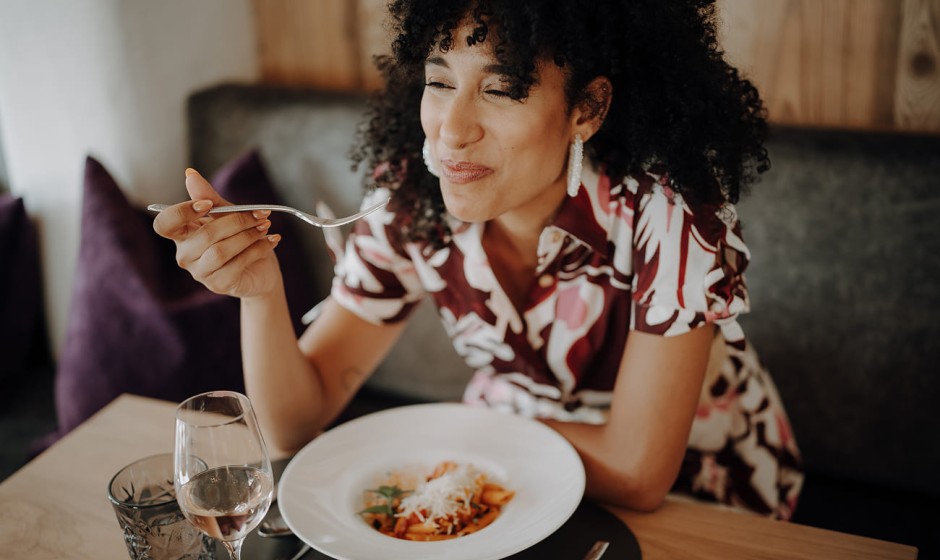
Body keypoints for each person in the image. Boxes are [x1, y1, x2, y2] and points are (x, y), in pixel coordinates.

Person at [153, 0, 803, 519]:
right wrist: (260, 292)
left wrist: (469, 429)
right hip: (505, 475)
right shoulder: (412, 198)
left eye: (502, 89)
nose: (451, 129)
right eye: (439, 82)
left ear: (587, 108)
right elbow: (295, 423)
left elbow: (637, 474)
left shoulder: (671, 212)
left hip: (700, 497)